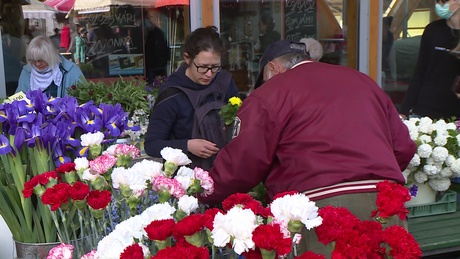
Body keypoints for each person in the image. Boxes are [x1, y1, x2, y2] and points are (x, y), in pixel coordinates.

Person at [199, 40, 416, 256]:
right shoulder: (362, 81)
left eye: (264, 79)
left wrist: (204, 192)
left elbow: (242, 165)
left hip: (320, 210)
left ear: (273, 68)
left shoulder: (270, 93)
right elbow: (403, 147)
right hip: (386, 204)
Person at [144, 26, 240, 170]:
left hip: (226, 170)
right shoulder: (172, 93)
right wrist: (187, 145)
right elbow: (152, 145)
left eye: (215, 67)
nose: (209, 74)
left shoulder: (224, 83)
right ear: (187, 58)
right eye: (202, 67)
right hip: (186, 177)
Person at [400, 0, 460, 120]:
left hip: (455, 115)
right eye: (437, 1)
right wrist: (404, 111)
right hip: (425, 111)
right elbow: (419, 72)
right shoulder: (432, 30)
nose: (439, 5)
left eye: (444, 1)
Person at [16, 36, 86, 97]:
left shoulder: (71, 70)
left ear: (50, 56)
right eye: (33, 60)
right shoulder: (26, 72)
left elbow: (84, 98)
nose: (37, 64)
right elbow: (18, 100)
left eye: (41, 60)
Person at [144, 9, 169, 85]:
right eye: (147, 18)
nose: (148, 20)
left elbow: (160, 51)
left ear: (155, 18)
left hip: (156, 68)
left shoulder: (158, 34)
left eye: (150, 17)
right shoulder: (150, 33)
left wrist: (159, 68)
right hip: (152, 67)